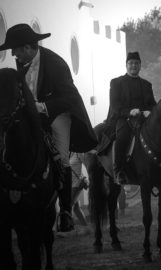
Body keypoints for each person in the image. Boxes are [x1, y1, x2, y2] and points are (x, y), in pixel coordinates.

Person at [0, 24, 98, 232]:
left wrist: (43, 106)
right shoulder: (21, 62)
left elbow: (70, 98)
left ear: (27, 48)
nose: (13, 55)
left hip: (58, 113)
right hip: (31, 112)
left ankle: (65, 211)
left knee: (61, 157)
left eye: (15, 50)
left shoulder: (56, 63)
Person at [106, 51, 156, 184]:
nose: (133, 66)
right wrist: (129, 112)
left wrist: (149, 111)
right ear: (126, 65)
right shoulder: (116, 82)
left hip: (144, 120)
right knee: (122, 137)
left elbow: (153, 105)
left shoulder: (147, 85)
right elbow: (115, 106)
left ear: (140, 65)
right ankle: (119, 171)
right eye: (131, 63)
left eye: (136, 63)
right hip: (123, 118)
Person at [70, 152, 89, 227]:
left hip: (77, 183)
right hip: (69, 183)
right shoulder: (65, 153)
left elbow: (87, 165)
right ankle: (85, 226)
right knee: (76, 207)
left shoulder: (78, 153)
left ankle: (69, 227)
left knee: (69, 205)